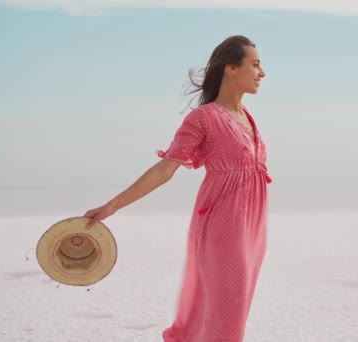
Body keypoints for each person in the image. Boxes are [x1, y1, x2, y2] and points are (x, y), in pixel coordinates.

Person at [83, 35, 272, 341]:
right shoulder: (204, 118)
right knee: (228, 317)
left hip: (253, 230)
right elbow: (164, 170)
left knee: (230, 313)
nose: (262, 73)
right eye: (255, 64)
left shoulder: (248, 118)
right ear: (231, 69)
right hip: (225, 227)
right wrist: (112, 206)